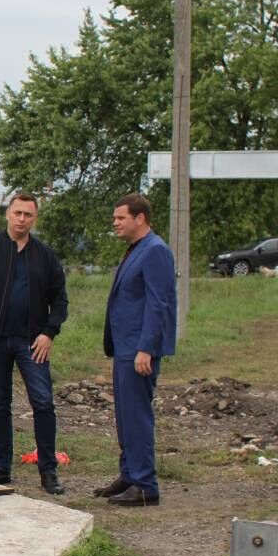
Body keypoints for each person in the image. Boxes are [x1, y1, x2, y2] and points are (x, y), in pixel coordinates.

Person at [0, 193, 68, 494]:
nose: (22, 219)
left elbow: (60, 300)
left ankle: (48, 471)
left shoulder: (44, 255)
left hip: (31, 341)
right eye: (18, 213)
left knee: (43, 402)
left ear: (34, 219)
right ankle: (2, 467)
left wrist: (49, 332)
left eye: (28, 215)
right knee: (0, 403)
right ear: (8, 214)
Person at [97, 193, 176, 507]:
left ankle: (145, 484)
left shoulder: (156, 251)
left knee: (137, 416)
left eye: (120, 218)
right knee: (125, 416)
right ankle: (129, 474)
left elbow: (159, 304)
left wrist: (146, 348)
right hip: (125, 346)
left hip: (139, 349)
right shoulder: (135, 250)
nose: (115, 223)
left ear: (139, 218)